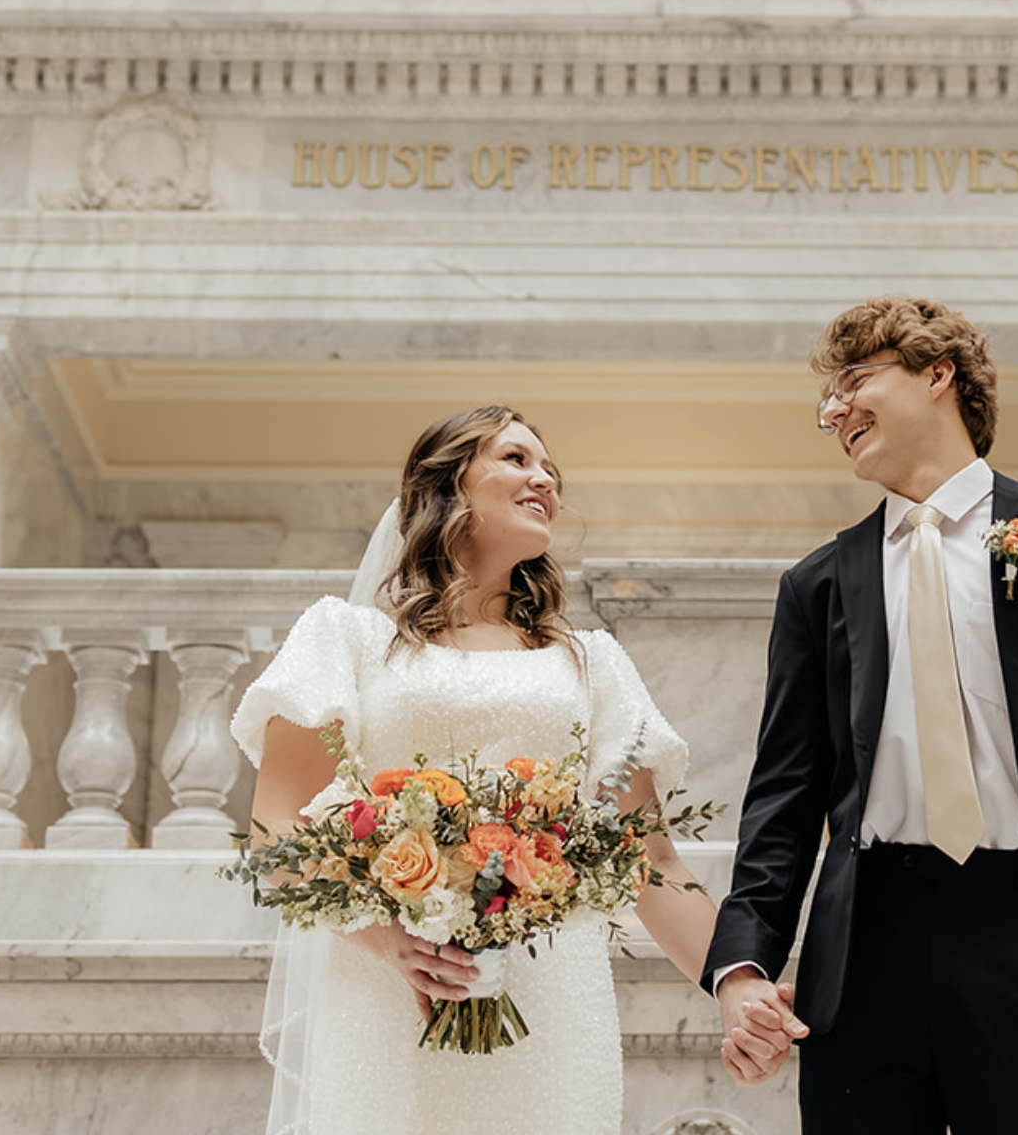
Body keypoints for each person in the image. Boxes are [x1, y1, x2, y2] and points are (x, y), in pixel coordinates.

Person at [704, 296, 1018, 1134]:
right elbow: (784, 798)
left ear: (938, 373)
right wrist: (742, 968)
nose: (833, 410)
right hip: (863, 949)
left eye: (855, 380)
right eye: (827, 401)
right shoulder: (818, 585)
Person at [233, 404, 774, 1135]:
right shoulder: (347, 638)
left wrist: (737, 983)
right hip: (391, 994)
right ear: (448, 485)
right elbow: (277, 830)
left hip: (552, 1000)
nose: (544, 477)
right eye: (517, 459)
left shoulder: (591, 663)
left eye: (550, 467)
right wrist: (391, 941)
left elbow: (649, 859)